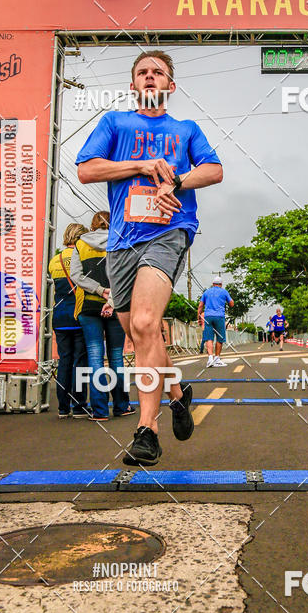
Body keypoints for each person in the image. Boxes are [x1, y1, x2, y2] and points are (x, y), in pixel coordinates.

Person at [76, 50, 223, 465]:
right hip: (122, 242)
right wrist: (140, 166)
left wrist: (176, 180)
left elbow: (214, 170)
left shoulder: (186, 129)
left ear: (170, 86)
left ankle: (147, 431)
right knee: (143, 336)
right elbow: (87, 169)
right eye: (142, 72)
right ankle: (177, 393)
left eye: (158, 72)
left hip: (169, 232)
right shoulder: (114, 123)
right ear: (133, 85)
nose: (150, 77)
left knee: (144, 324)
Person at [70, 211, 134, 421]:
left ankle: (99, 410)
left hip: (89, 308)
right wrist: (112, 299)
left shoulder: (80, 244)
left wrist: (99, 290)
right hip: (117, 308)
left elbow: (76, 275)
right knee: (116, 357)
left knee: (95, 358)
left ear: (93, 225)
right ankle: (122, 406)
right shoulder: (120, 241)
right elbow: (124, 275)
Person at [47, 222, 90, 418]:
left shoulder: (54, 261)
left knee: (64, 361)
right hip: (79, 315)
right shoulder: (82, 257)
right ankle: (79, 405)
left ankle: (63, 408)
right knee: (80, 362)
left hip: (60, 317)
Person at [198, 277, 234, 366]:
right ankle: (217, 359)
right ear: (221, 284)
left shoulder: (206, 292)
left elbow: (200, 305)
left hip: (208, 317)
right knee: (220, 338)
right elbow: (232, 304)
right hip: (219, 317)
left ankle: (210, 358)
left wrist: (199, 317)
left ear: (213, 284)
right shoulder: (224, 292)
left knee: (209, 338)